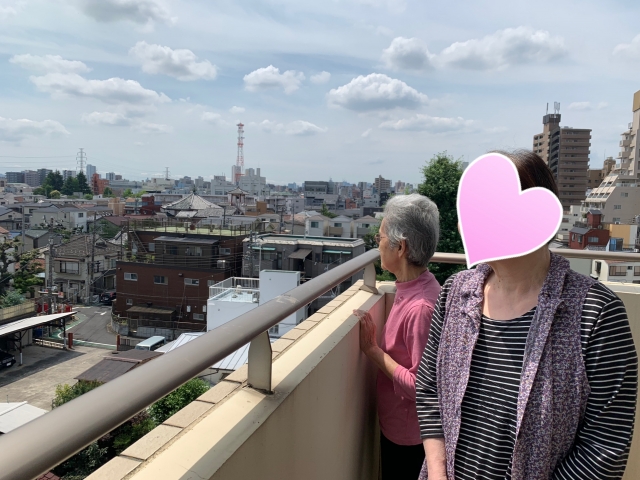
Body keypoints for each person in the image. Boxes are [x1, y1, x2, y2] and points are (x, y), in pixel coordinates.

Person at [416, 149, 638, 480]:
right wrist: (437, 471)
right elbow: (429, 388)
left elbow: (605, 444)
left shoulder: (596, 312)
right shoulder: (455, 293)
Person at [357, 193, 441, 480]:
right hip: (401, 428)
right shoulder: (415, 287)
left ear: (401, 247)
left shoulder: (421, 308)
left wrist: (372, 350)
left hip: (409, 437)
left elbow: (421, 387)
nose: (378, 244)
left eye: (380, 237)